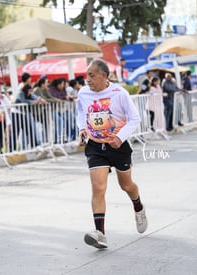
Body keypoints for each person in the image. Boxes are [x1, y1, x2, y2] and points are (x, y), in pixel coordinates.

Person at [76, 59, 148, 249]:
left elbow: (134, 119)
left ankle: (138, 206)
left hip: (118, 146)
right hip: (95, 146)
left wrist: (121, 137)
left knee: (126, 185)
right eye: (86, 75)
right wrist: (82, 129)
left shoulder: (119, 93)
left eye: (91, 75)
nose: (88, 79)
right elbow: (81, 112)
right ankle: (100, 233)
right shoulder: (83, 93)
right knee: (98, 187)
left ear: (104, 76)